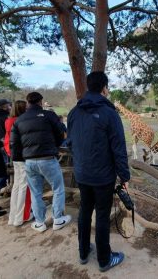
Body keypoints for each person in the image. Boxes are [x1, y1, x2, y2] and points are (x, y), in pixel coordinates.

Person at [67, 71, 130, 272]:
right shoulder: (110, 114)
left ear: (88, 86)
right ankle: (104, 259)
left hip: (82, 174)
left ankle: (83, 251)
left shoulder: (74, 112)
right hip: (102, 177)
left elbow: (70, 143)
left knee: (85, 211)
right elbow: (118, 148)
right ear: (105, 88)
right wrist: (125, 176)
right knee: (102, 215)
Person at [10, 92, 71, 233]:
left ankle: (39, 222)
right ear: (40, 101)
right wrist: (54, 147)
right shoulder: (49, 115)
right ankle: (57, 219)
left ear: (28, 102)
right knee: (58, 188)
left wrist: (22, 158)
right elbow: (60, 134)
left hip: (29, 161)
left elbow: (15, 144)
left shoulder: (19, 120)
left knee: (35, 192)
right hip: (48, 159)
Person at [5, 100, 33, 226]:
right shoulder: (20, 121)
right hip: (22, 155)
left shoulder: (9, 121)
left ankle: (13, 216)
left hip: (14, 155)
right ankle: (20, 217)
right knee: (23, 186)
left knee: (16, 186)